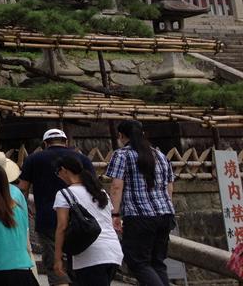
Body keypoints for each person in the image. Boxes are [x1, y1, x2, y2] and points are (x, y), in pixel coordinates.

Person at [18, 128, 95, 286]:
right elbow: (93, 186)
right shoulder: (82, 159)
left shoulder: (33, 159)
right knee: (78, 262)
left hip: (48, 219)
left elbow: (23, 188)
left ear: (45, 144)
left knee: (55, 263)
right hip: (80, 220)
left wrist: (23, 210)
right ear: (66, 142)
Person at [105, 120, 176, 286]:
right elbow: (170, 187)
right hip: (165, 214)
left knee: (138, 262)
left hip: (139, 217)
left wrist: (115, 213)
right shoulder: (160, 155)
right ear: (143, 134)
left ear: (121, 136)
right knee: (157, 262)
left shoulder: (122, 155)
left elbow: (116, 186)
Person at [53, 154, 124, 286]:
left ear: (64, 170)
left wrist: (57, 258)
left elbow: (62, 227)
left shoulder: (64, 194)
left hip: (90, 255)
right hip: (113, 252)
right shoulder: (100, 192)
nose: (59, 177)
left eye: (58, 173)